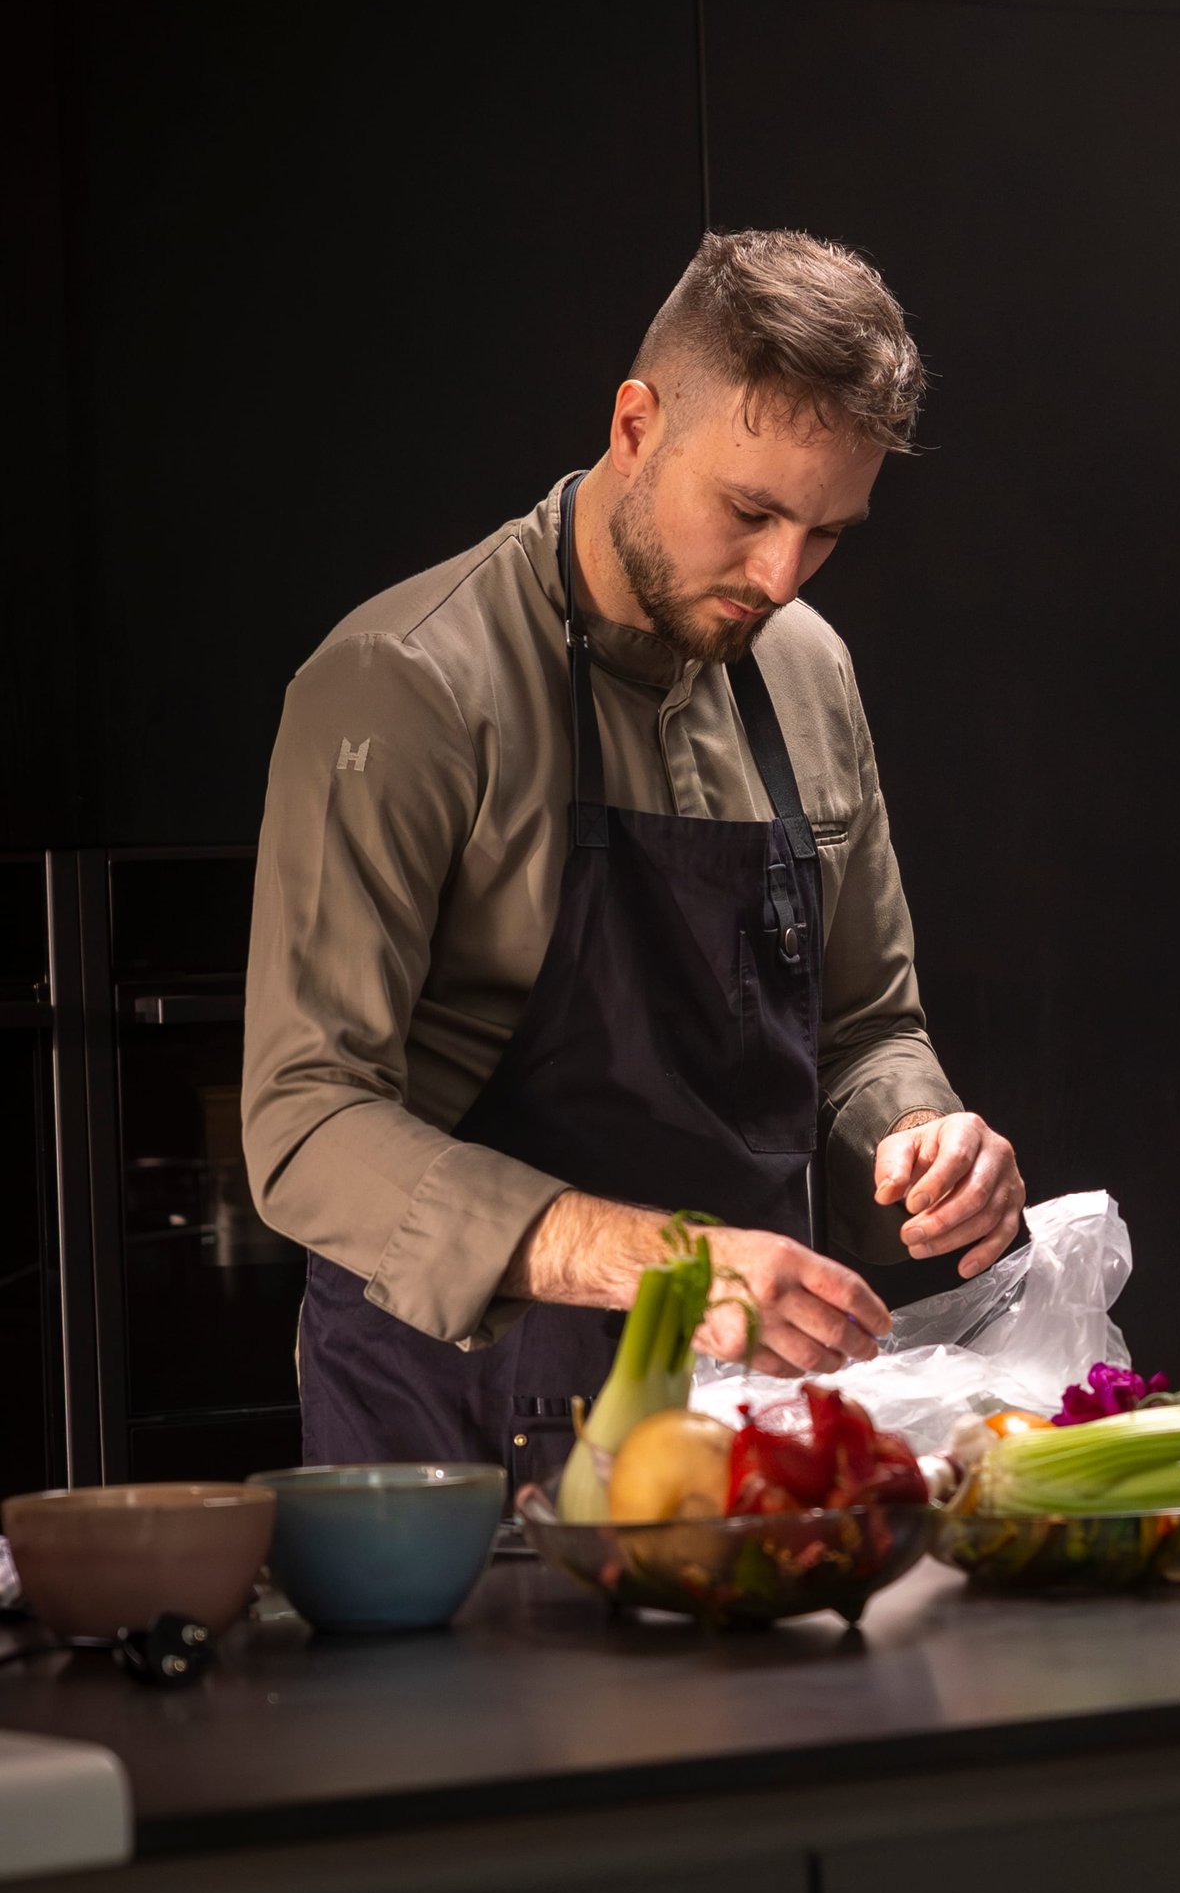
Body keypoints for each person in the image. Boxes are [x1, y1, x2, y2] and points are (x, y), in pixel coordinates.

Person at [244, 227, 1023, 1463]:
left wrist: (920, 1141)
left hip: (742, 1413)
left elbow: (867, 1030)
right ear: (634, 426)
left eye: (827, 533)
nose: (780, 575)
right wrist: (669, 1265)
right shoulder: (406, 687)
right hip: (458, 1418)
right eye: (751, 511)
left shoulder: (808, 670)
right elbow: (304, 1126)